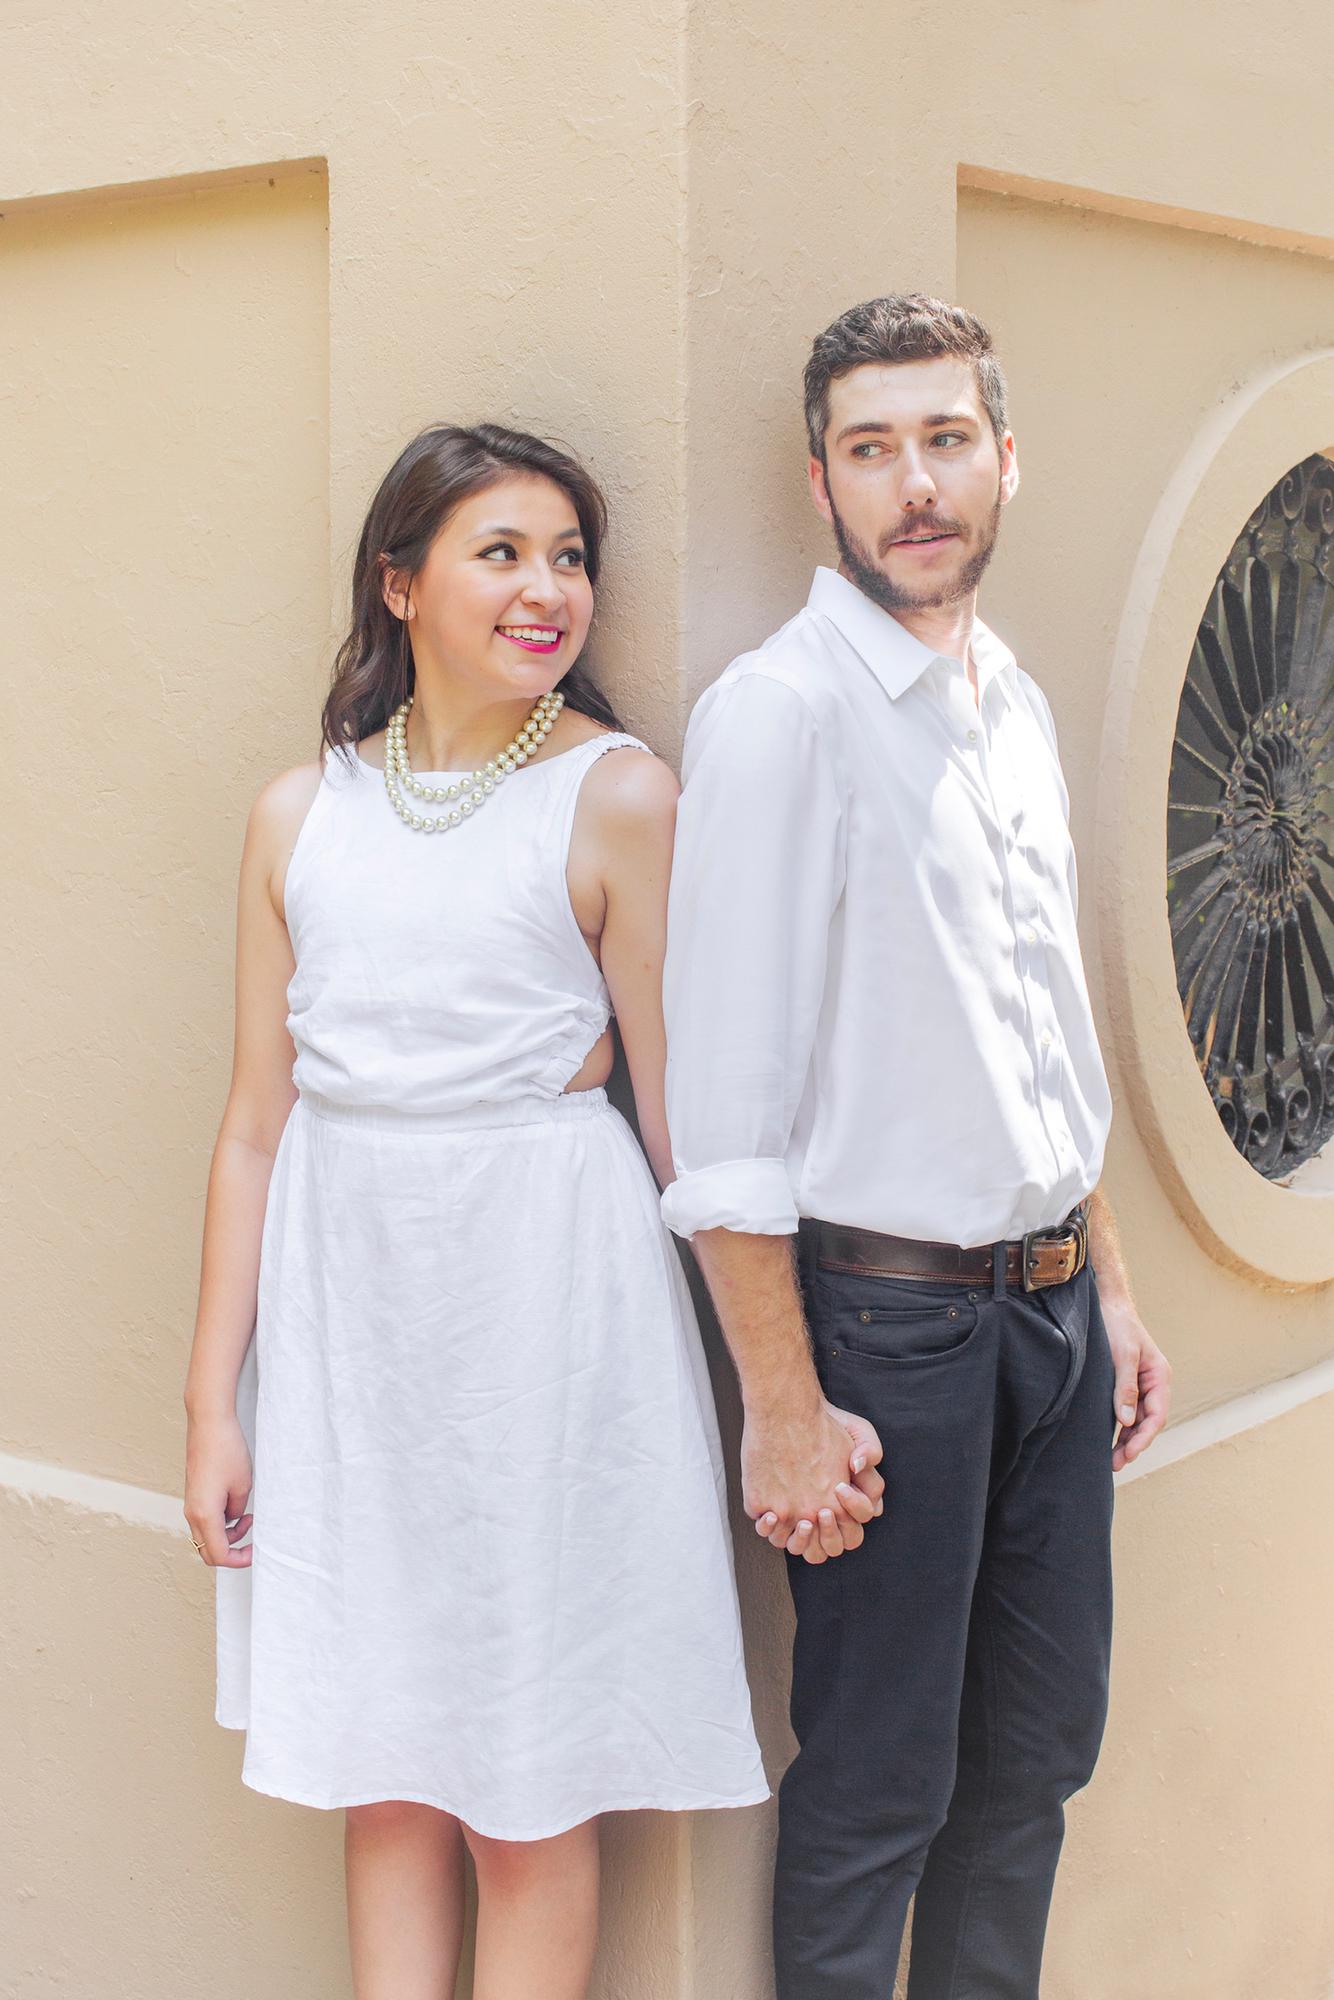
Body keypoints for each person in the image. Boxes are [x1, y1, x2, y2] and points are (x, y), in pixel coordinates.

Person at [181, 423, 774, 2000]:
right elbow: (252, 1129)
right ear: (399, 583)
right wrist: (212, 1404)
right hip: (346, 1320)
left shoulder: (618, 794)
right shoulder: (298, 813)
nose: (547, 589)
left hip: (546, 1313)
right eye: (501, 552)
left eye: (569, 557)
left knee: (525, 1780)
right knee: (380, 1771)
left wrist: (775, 1391)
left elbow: (686, 1126)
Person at [661, 296, 1173, 1999]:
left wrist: (1104, 1287)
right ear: (821, 484)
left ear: (1003, 460)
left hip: (1048, 1321)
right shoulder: (781, 715)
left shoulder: (1007, 697)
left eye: (944, 440)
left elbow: (1041, 1036)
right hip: (889, 1335)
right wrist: (781, 1409)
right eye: (870, 450)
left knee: (1035, 1759)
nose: (914, 485)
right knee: (882, 1782)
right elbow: (725, 1117)